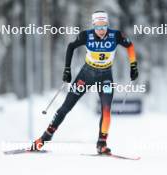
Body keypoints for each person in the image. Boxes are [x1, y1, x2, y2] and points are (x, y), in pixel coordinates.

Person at [31, 11, 138, 154]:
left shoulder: (115, 35)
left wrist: (133, 66)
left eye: (104, 27)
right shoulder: (86, 35)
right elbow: (70, 47)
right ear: (93, 26)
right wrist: (67, 70)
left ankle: (102, 143)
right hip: (87, 74)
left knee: (106, 110)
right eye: (98, 27)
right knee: (66, 107)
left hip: (105, 76)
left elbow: (130, 46)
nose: (101, 31)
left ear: (107, 25)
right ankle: (44, 139)